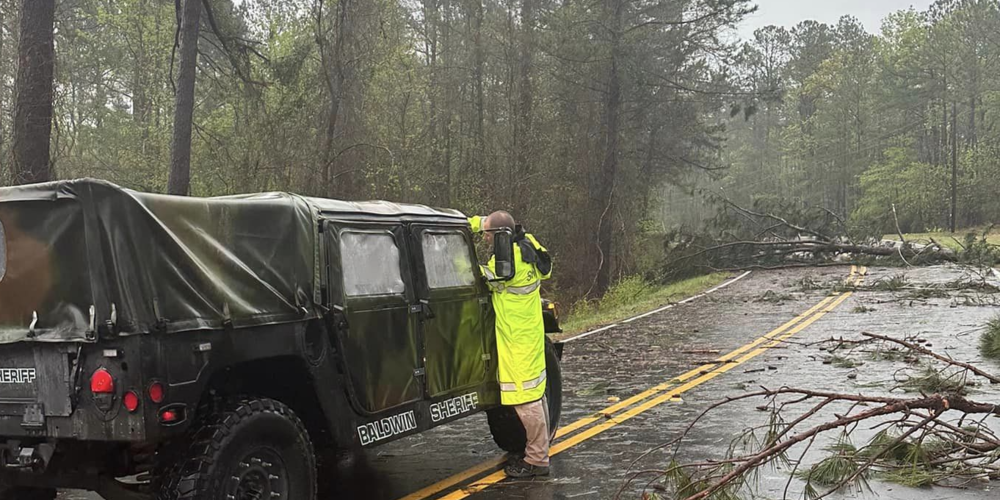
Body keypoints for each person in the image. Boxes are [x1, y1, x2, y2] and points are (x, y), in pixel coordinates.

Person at [470, 211, 553, 478]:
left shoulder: (508, 262)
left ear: (501, 237)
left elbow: (479, 275)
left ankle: (537, 460)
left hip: (517, 338)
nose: (485, 238)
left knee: (525, 400)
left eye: (488, 234)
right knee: (536, 393)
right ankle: (540, 451)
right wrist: (465, 222)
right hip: (529, 331)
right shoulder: (527, 244)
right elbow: (499, 223)